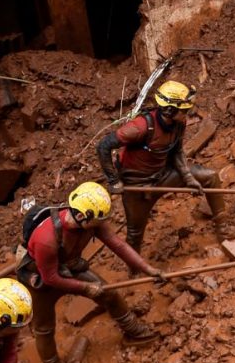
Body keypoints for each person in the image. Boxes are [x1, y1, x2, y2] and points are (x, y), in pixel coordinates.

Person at [19, 181, 168, 363]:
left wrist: (147, 268)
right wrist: (86, 288)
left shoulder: (91, 221)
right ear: (81, 215)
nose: (102, 225)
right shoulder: (46, 239)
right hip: (43, 282)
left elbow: (118, 245)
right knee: (44, 329)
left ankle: (134, 332)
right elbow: (51, 277)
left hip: (70, 267)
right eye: (99, 221)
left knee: (109, 294)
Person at [96, 80, 225, 252]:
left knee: (210, 177)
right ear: (170, 109)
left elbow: (177, 151)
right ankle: (135, 271)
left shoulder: (179, 123)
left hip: (163, 175)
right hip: (137, 186)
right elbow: (103, 146)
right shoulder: (139, 127)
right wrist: (113, 180)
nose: (188, 113)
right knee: (135, 234)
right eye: (185, 110)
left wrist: (188, 178)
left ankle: (224, 229)